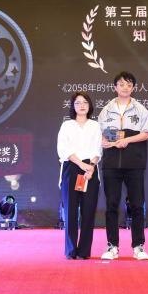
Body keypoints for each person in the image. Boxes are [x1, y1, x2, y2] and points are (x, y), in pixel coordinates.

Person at [98, 71, 148, 260]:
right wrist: (104, 141)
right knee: (111, 205)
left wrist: (128, 140)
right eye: (121, 84)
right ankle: (112, 246)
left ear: (133, 88)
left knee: (137, 205)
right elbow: (101, 134)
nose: (125, 88)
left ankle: (138, 246)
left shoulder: (141, 110)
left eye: (129, 85)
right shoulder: (106, 110)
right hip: (111, 164)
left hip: (134, 164)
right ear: (115, 87)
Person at [57, 92, 102, 259]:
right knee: (70, 211)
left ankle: (84, 251)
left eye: (85, 102)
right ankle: (70, 250)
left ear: (89, 105)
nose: (82, 105)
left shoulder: (95, 126)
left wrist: (91, 166)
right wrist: (82, 165)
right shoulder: (67, 125)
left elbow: (98, 149)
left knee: (88, 212)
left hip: (91, 170)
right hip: (72, 167)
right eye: (78, 103)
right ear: (73, 106)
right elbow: (63, 149)